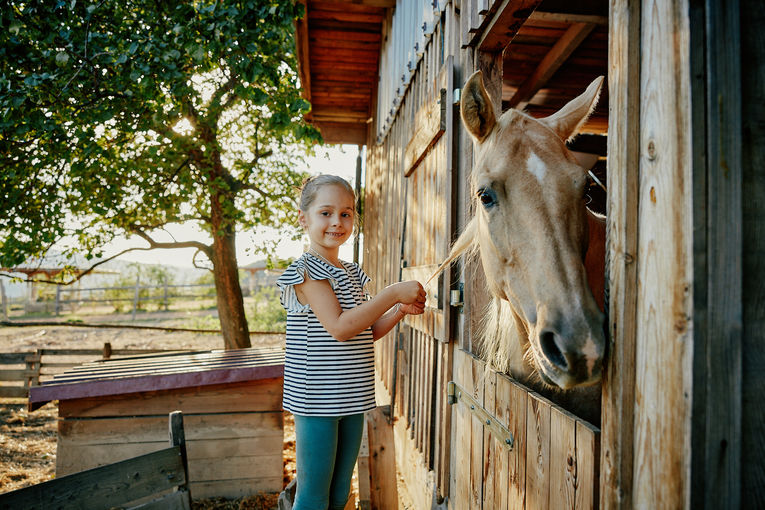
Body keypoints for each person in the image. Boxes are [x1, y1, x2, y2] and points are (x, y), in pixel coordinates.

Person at [276, 174, 426, 510]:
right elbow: (341, 328)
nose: (336, 222)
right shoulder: (308, 271)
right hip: (316, 398)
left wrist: (399, 310)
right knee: (314, 497)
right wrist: (390, 294)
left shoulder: (351, 272)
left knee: (340, 491)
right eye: (325, 213)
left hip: (351, 395)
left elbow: (364, 331)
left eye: (346, 214)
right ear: (304, 219)